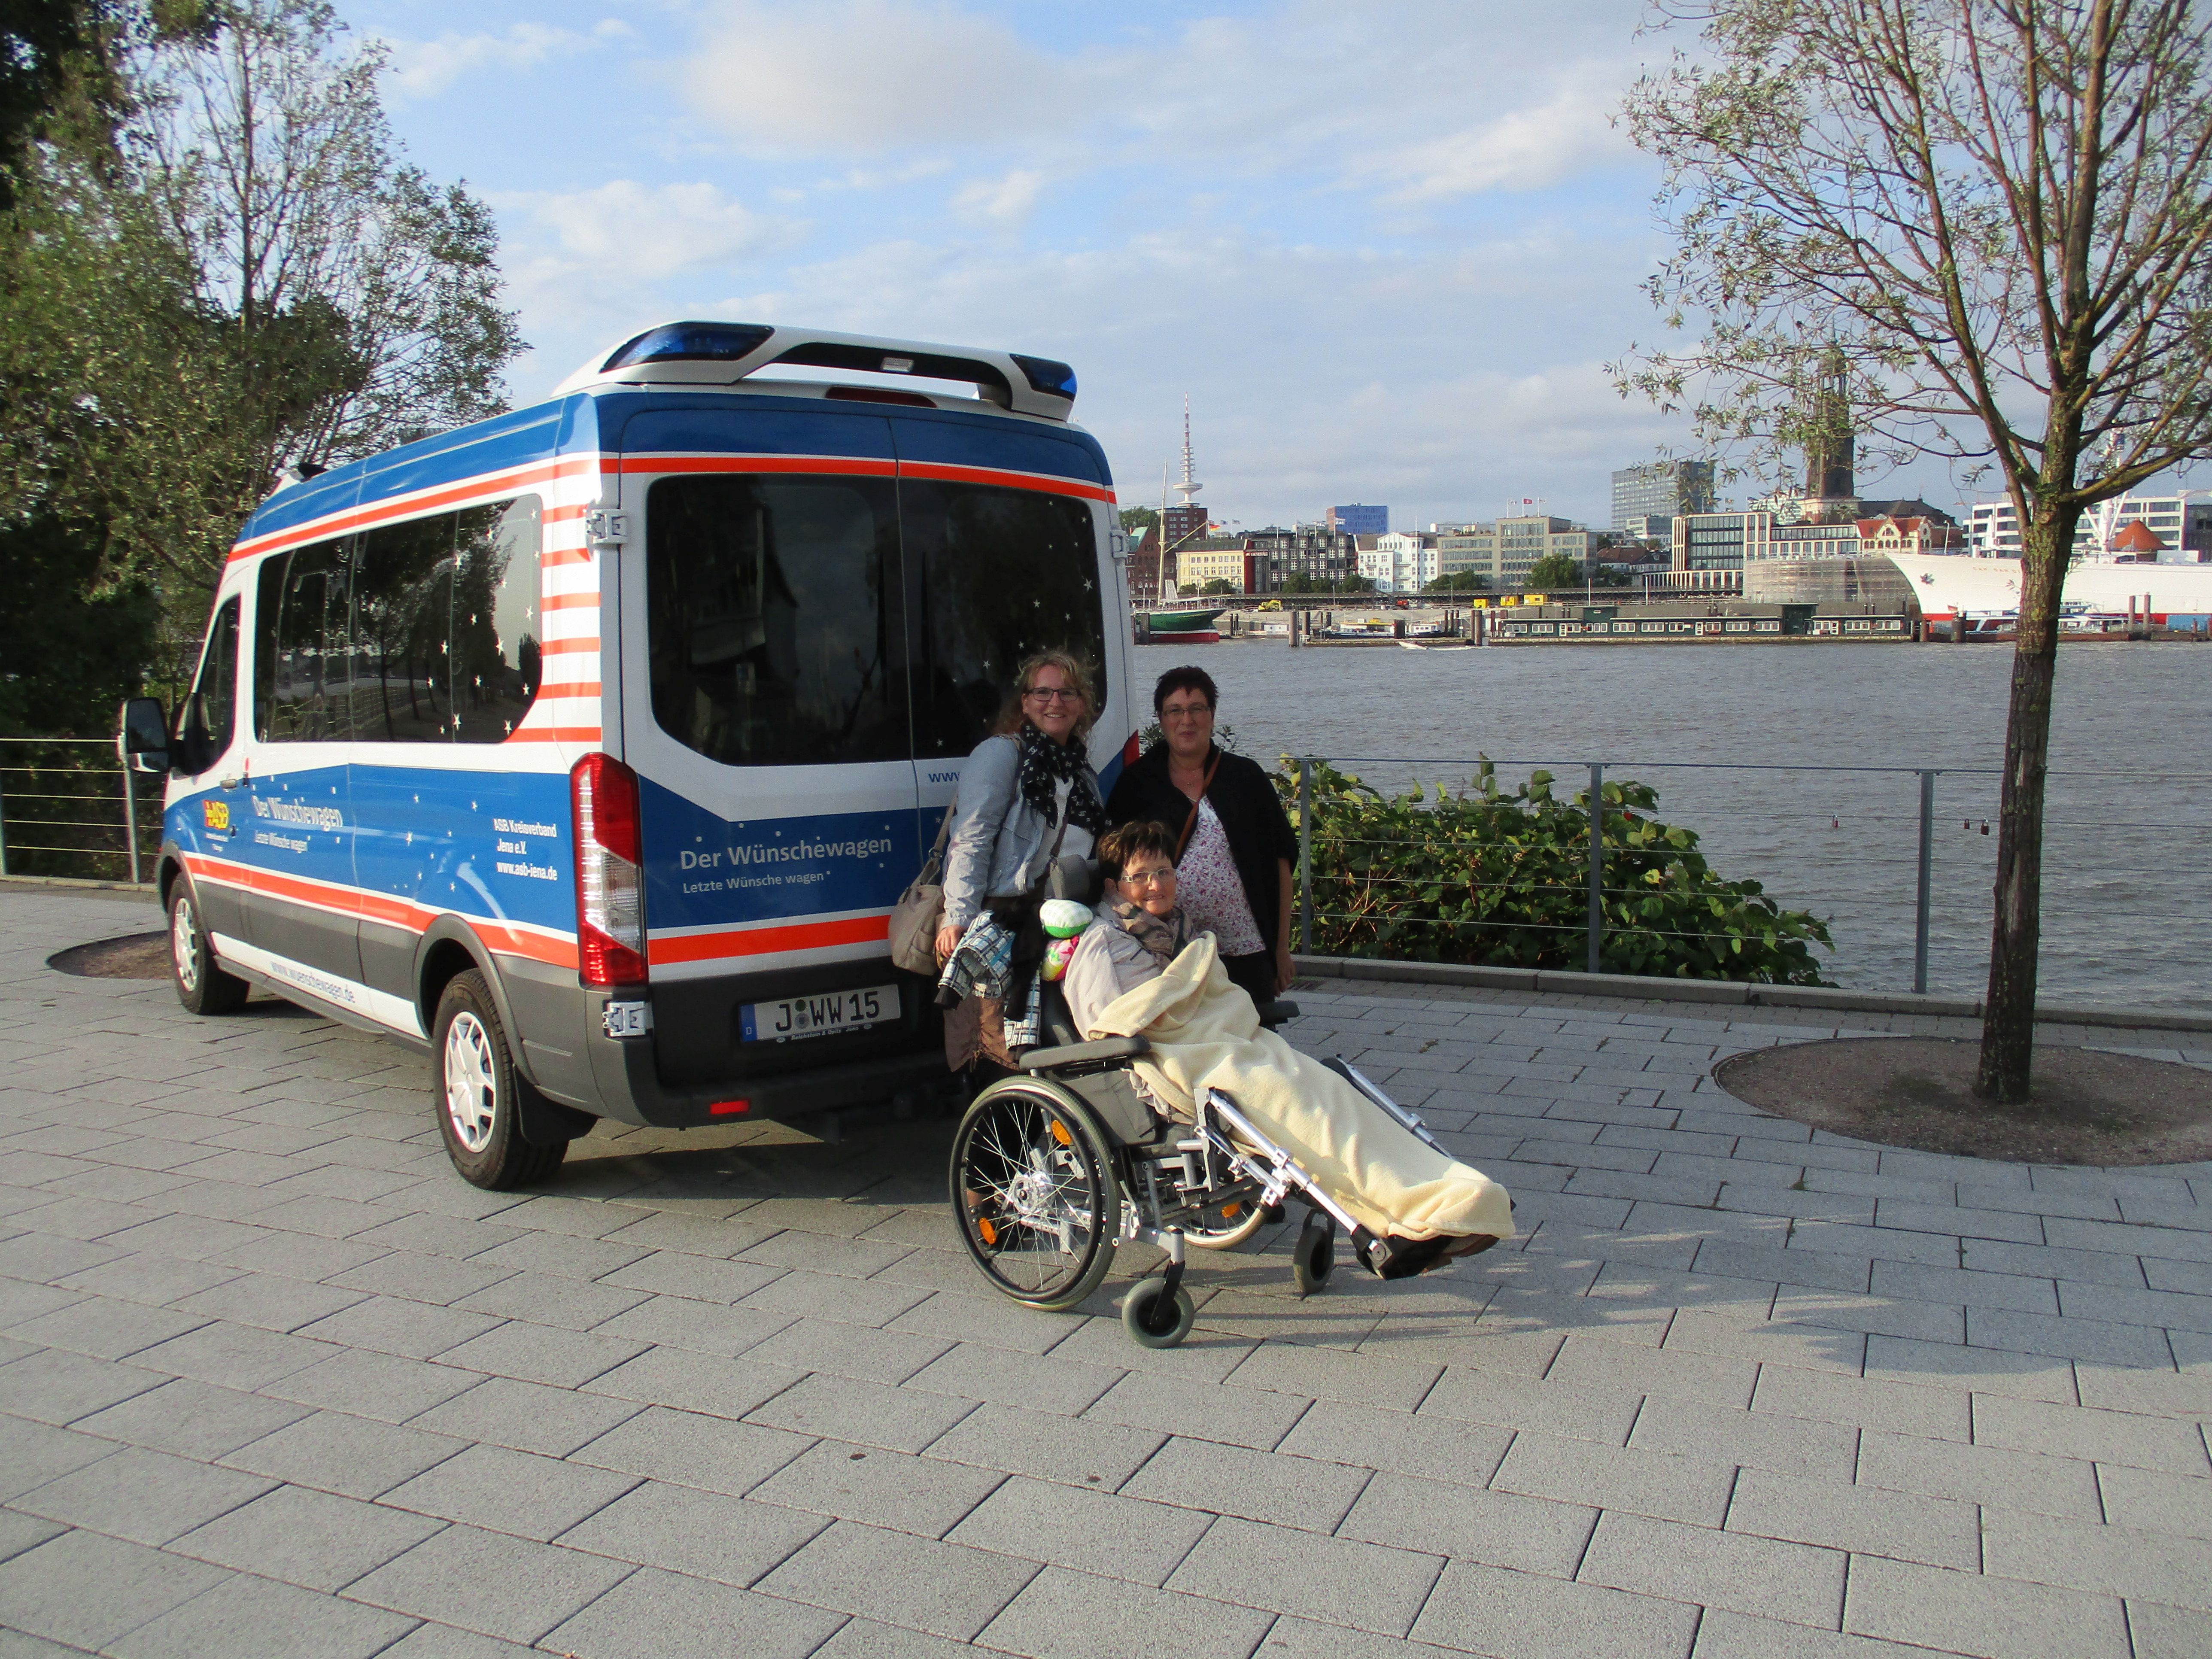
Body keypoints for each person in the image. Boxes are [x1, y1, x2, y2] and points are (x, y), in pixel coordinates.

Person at [1063, 820, 1512, 1278]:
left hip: (1234, 1043)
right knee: (1303, 1113)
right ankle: (1404, 1214)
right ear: (1114, 886)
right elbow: (1108, 1025)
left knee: (1333, 1092)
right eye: (1140, 876)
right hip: (1181, 1059)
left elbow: (1212, 994)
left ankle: (1446, 1190)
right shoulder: (1103, 942)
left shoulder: (1182, 934)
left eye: (1163, 871)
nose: (1155, 884)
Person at [934, 649, 1107, 1067]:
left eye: (1067, 693)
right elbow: (971, 839)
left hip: (1064, 925)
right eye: (1043, 692)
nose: (1055, 702)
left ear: (1082, 704)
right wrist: (957, 916)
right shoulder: (1002, 756)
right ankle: (1000, 1127)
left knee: (1056, 1046)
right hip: (1005, 922)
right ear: (1025, 702)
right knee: (1000, 1046)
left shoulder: (1080, 771)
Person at [1106, 666, 1297, 1012]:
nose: (1187, 720)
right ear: (1161, 720)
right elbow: (1116, 868)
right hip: (1168, 953)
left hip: (1245, 950)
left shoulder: (1246, 778)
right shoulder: (1138, 784)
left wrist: (1280, 948)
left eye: (1197, 709)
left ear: (1212, 716)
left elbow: (1281, 862)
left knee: (1253, 1044)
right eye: (1175, 711)